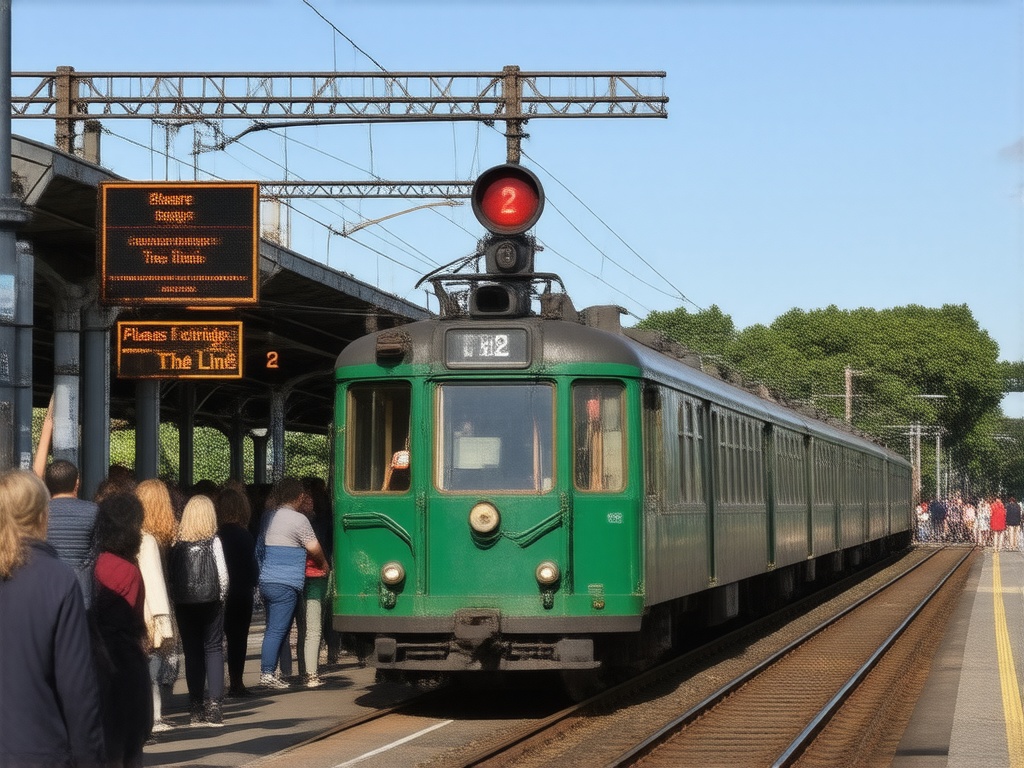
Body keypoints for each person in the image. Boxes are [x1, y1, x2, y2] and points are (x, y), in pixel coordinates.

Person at [0, 469, 107, 768]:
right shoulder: (57, 579)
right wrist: (90, 759)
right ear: (42, 516)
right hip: (39, 750)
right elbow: (78, 689)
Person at [91, 491, 153, 767]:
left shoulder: (94, 563)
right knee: (130, 747)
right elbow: (133, 616)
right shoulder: (129, 569)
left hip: (97, 662)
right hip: (126, 663)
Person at [257, 477, 328, 689]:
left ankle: (273, 672)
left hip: (267, 579)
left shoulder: (270, 516)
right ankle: (267, 672)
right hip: (285, 582)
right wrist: (324, 564)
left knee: (273, 628)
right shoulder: (299, 520)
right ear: (298, 497)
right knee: (277, 630)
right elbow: (314, 548)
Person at [168, 494, 229, 726]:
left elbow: (172, 575)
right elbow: (223, 575)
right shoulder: (213, 542)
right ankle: (215, 706)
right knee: (213, 648)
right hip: (211, 601)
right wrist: (222, 597)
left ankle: (195, 707)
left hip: (184, 602)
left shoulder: (176, 543)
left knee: (192, 652)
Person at [136, 478, 178, 733]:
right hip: (159, 604)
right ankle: (156, 713)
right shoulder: (168, 536)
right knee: (159, 657)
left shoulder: (133, 535)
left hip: (139, 604)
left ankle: (153, 713)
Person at [216, 482, 259, 697]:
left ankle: (213, 684)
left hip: (218, 593)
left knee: (214, 641)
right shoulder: (245, 535)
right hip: (241, 592)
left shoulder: (215, 535)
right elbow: (252, 567)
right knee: (238, 639)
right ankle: (236, 682)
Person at [43, 458, 100, 603]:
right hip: (82, 591)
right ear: (77, 483)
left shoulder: (39, 513)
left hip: (47, 589)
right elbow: (97, 549)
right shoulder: (93, 511)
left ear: (46, 484)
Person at [297, 478, 329, 688]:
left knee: (303, 627)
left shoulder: (294, 522)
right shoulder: (317, 523)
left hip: (297, 576)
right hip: (316, 575)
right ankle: (311, 673)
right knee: (314, 627)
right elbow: (319, 549)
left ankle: (304, 670)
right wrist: (326, 565)